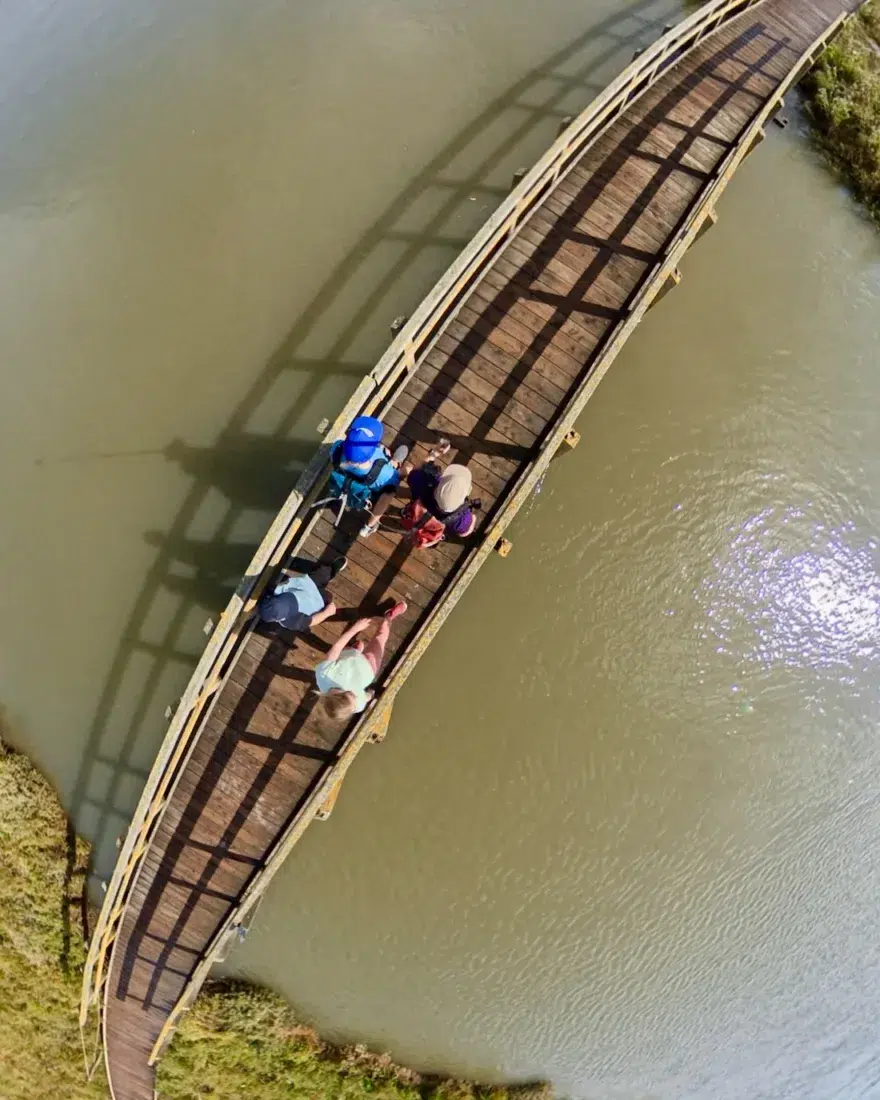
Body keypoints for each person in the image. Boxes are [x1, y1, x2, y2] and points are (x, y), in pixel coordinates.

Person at [314, 601, 407, 722]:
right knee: (381, 637)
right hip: (368, 667)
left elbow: (337, 647)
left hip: (348, 657)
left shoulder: (324, 674)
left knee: (350, 648)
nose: (354, 694)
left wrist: (355, 629)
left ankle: (355, 649)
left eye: (350, 693)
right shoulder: (354, 704)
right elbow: (366, 698)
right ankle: (389, 616)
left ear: (338, 693)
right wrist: (372, 693)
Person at [324, 415, 407, 528]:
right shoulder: (385, 474)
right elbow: (390, 486)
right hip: (367, 492)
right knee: (394, 480)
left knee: (384, 452)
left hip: (344, 485)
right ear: (371, 451)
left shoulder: (336, 450)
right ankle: (396, 462)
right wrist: (386, 456)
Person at [257, 557, 347, 633]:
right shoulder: (292, 622)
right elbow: (312, 620)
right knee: (328, 597)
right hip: (316, 600)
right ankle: (326, 582)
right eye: (291, 606)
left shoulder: (275, 591)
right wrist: (326, 613)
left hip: (307, 585)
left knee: (323, 573)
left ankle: (330, 571)